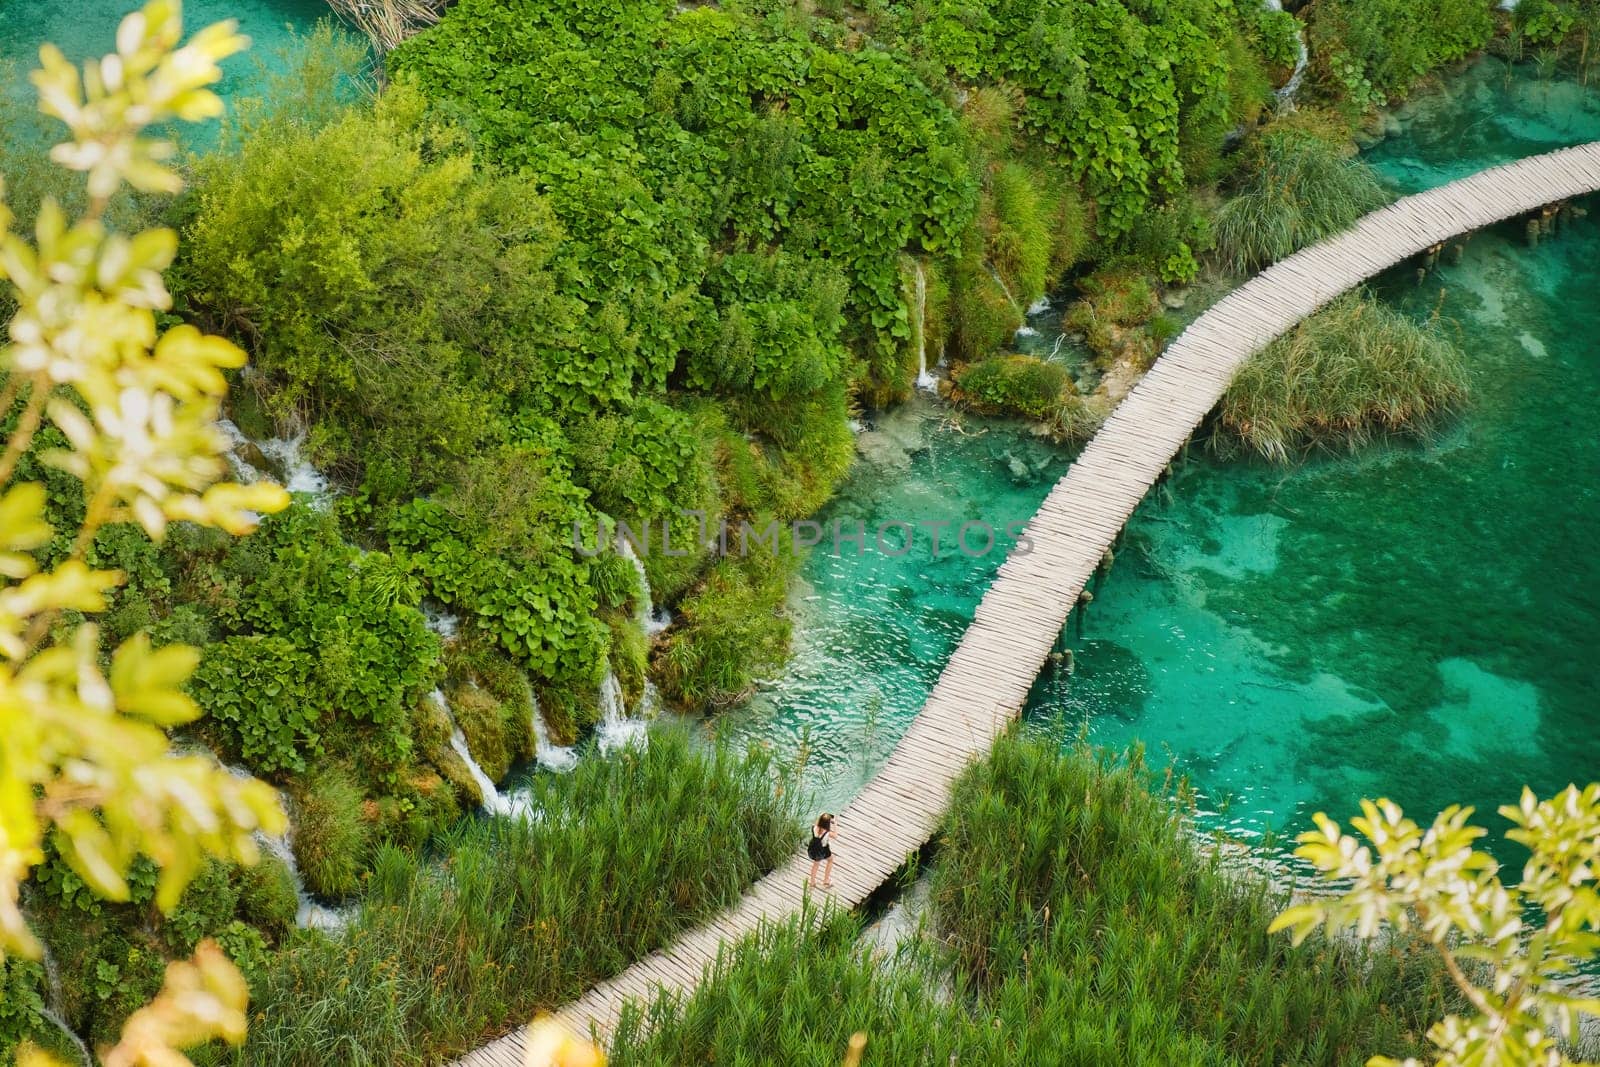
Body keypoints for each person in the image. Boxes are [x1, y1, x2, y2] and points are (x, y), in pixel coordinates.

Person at [807, 812, 836, 889]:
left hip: (814, 849)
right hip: (823, 849)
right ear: (827, 823)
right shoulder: (827, 832)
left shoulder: (814, 828)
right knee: (830, 860)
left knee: (816, 864)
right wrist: (835, 823)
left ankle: (812, 882)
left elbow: (817, 823)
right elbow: (835, 835)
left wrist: (821, 816)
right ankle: (826, 880)